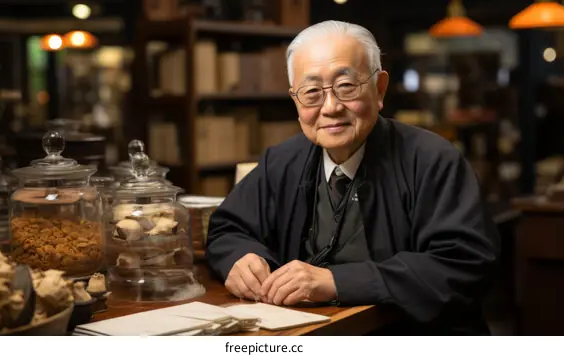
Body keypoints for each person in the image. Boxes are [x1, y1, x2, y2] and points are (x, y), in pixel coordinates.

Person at [205, 20, 500, 335]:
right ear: (295, 100)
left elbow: (465, 264)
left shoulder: (432, 160)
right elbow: (226, 229)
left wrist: (336, 282)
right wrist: (241, 258)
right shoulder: (282, 161)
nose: (330, 107)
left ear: (380, 88)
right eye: (312, 92)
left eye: (346, 86)